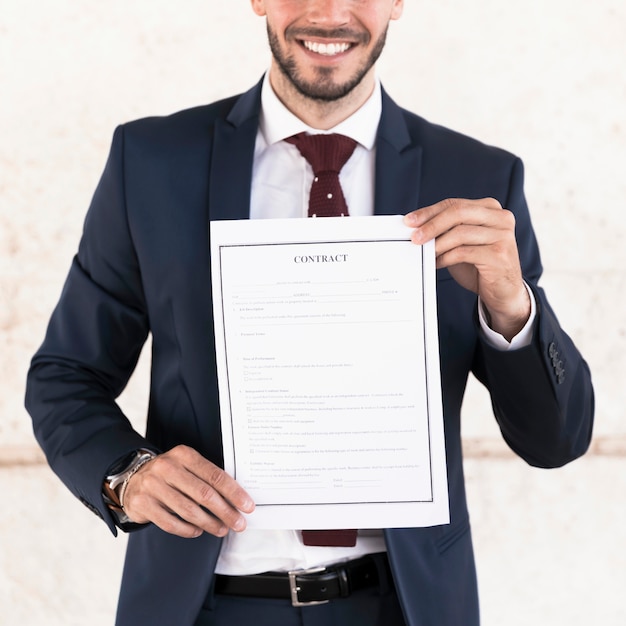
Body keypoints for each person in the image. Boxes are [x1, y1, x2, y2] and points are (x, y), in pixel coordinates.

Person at [25, 1, 594, 625]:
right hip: (204, 606)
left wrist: (511, 303)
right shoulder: (153, 162)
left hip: (401, 605)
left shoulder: (479, 177)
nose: (329, 12)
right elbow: (66, 375)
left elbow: (554, 441)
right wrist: (126, 477)